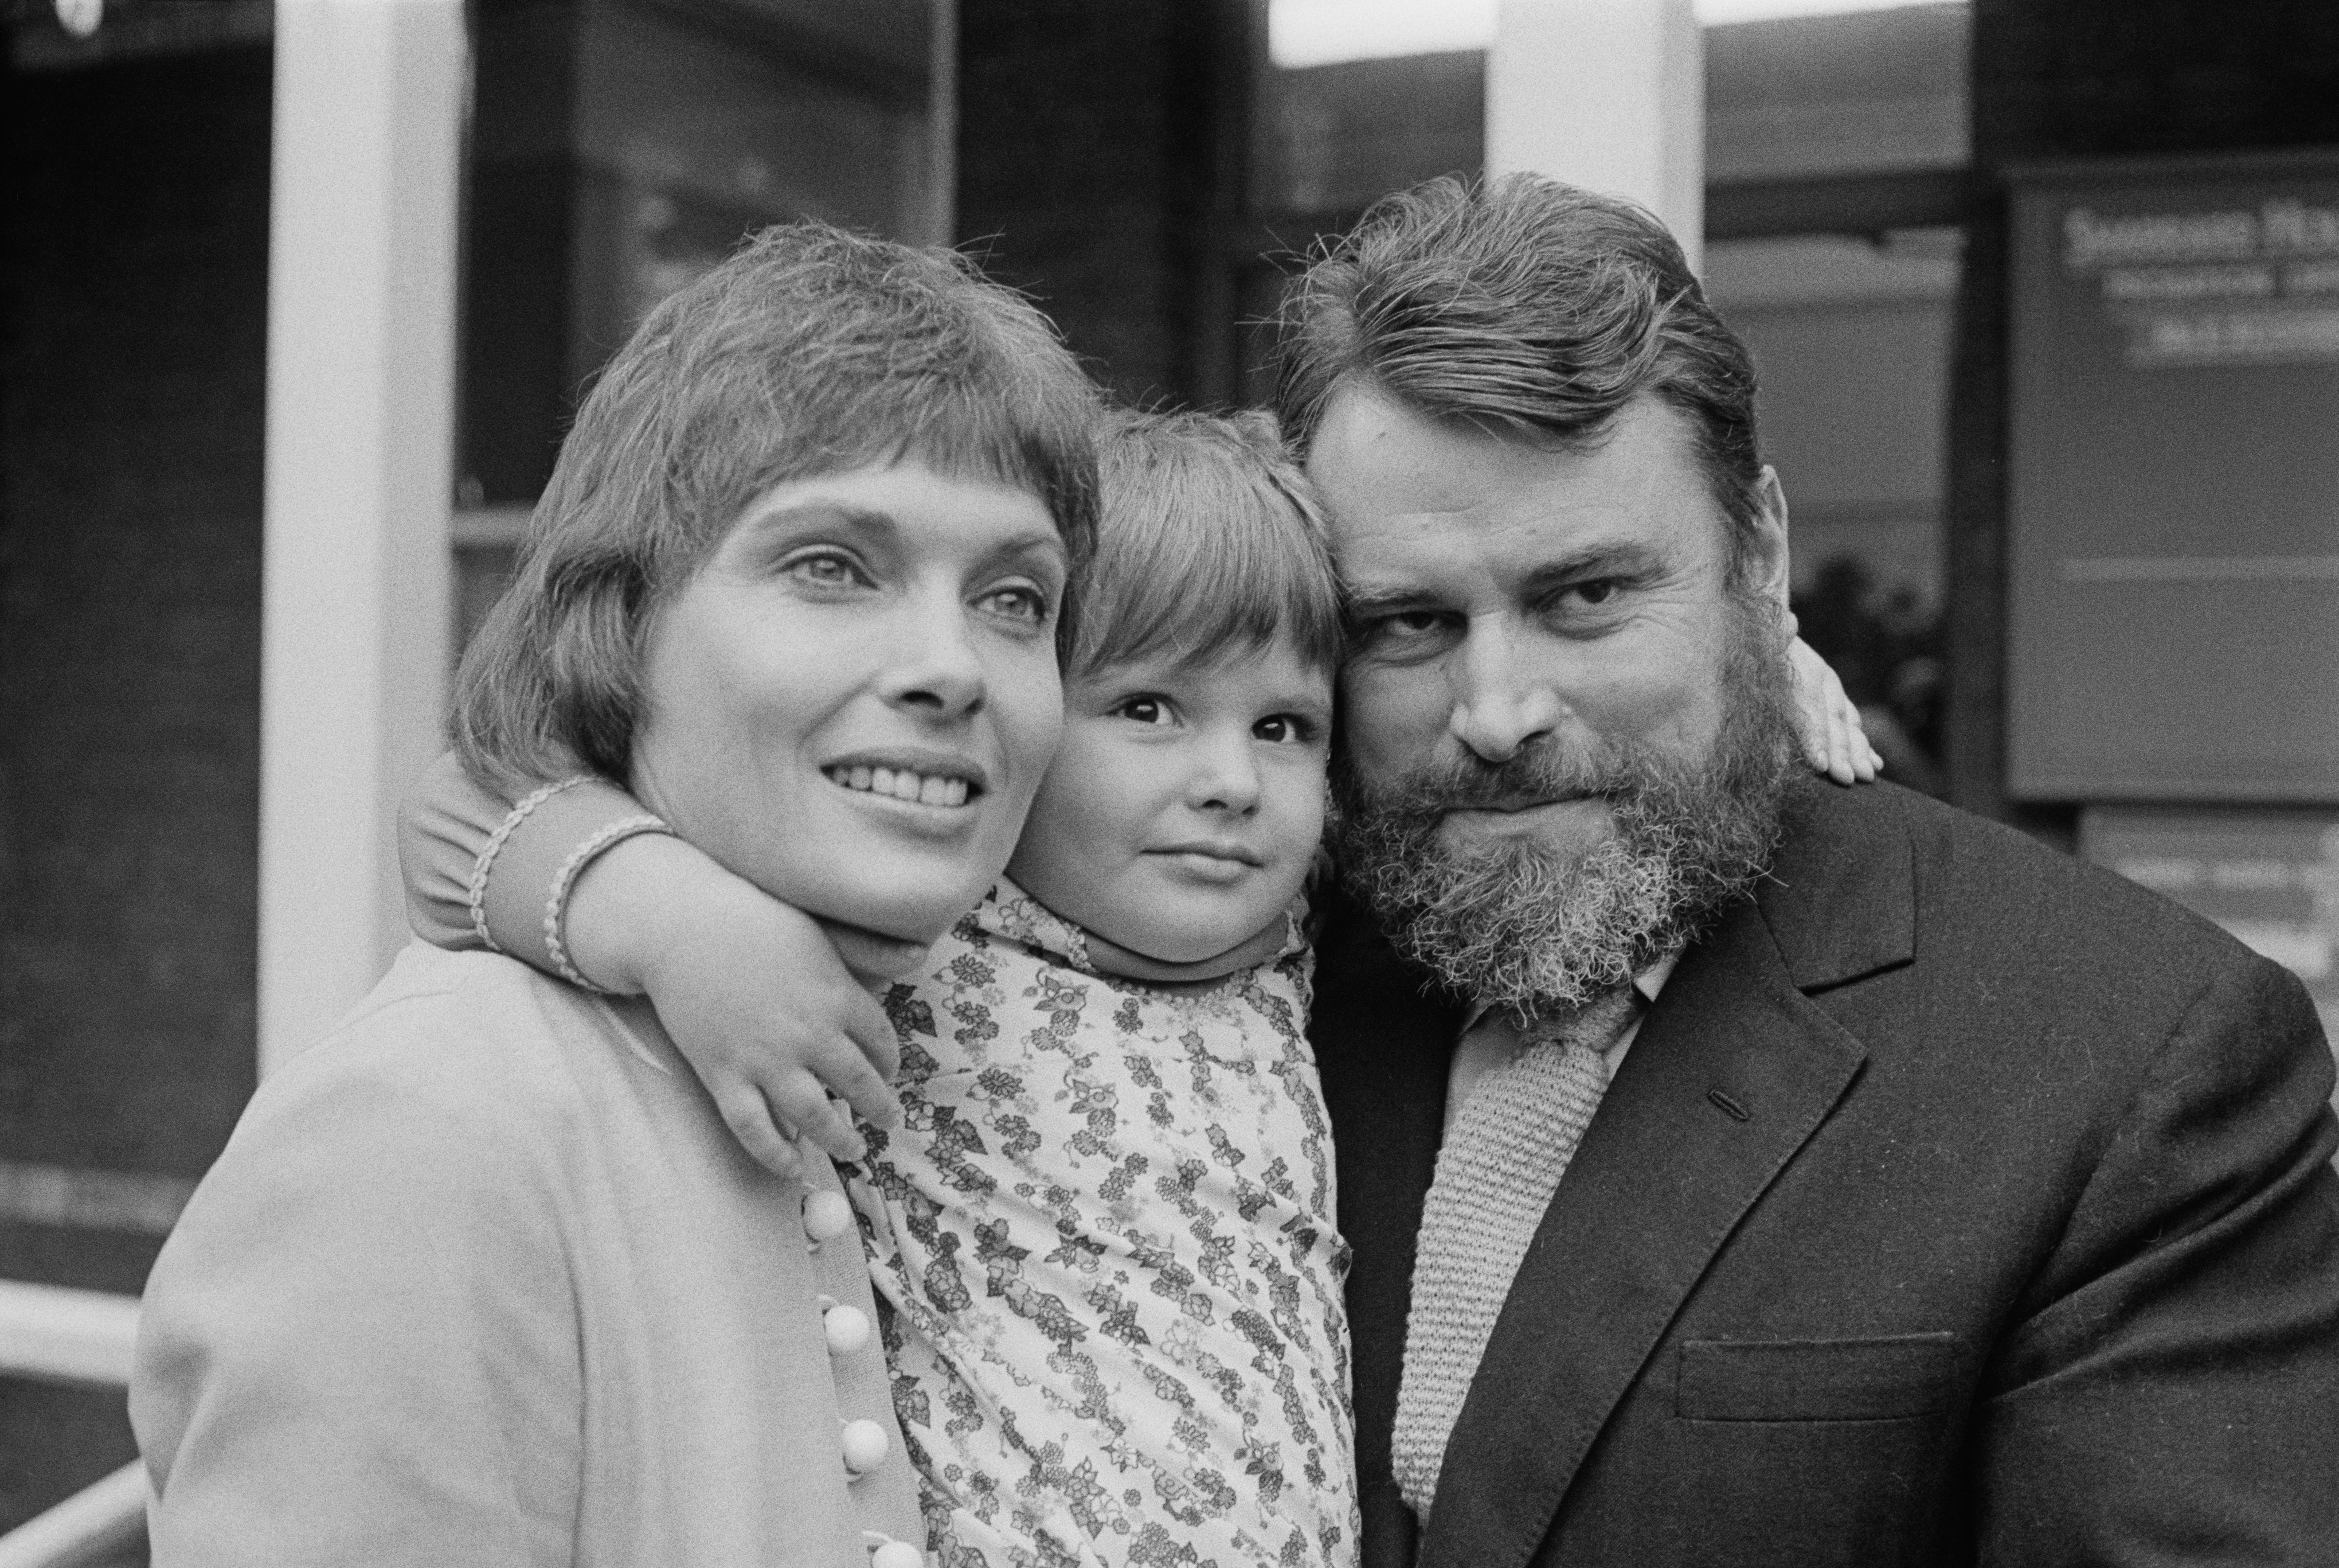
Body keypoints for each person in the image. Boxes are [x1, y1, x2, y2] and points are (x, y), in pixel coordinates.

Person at [431, 175, 2337, 1565]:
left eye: (1588, 595)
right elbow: (527, 792)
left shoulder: (2124, 1059)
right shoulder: (1223, 918)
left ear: (1755, 552)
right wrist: (645, 894)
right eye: (1405, 626)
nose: (1498, 708)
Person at [129, 222, 1101, 1567]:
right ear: (617, 624)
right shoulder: (432, 1125)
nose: (953, 665)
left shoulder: (981, 1035)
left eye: (1013, 597)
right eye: (832, 566)